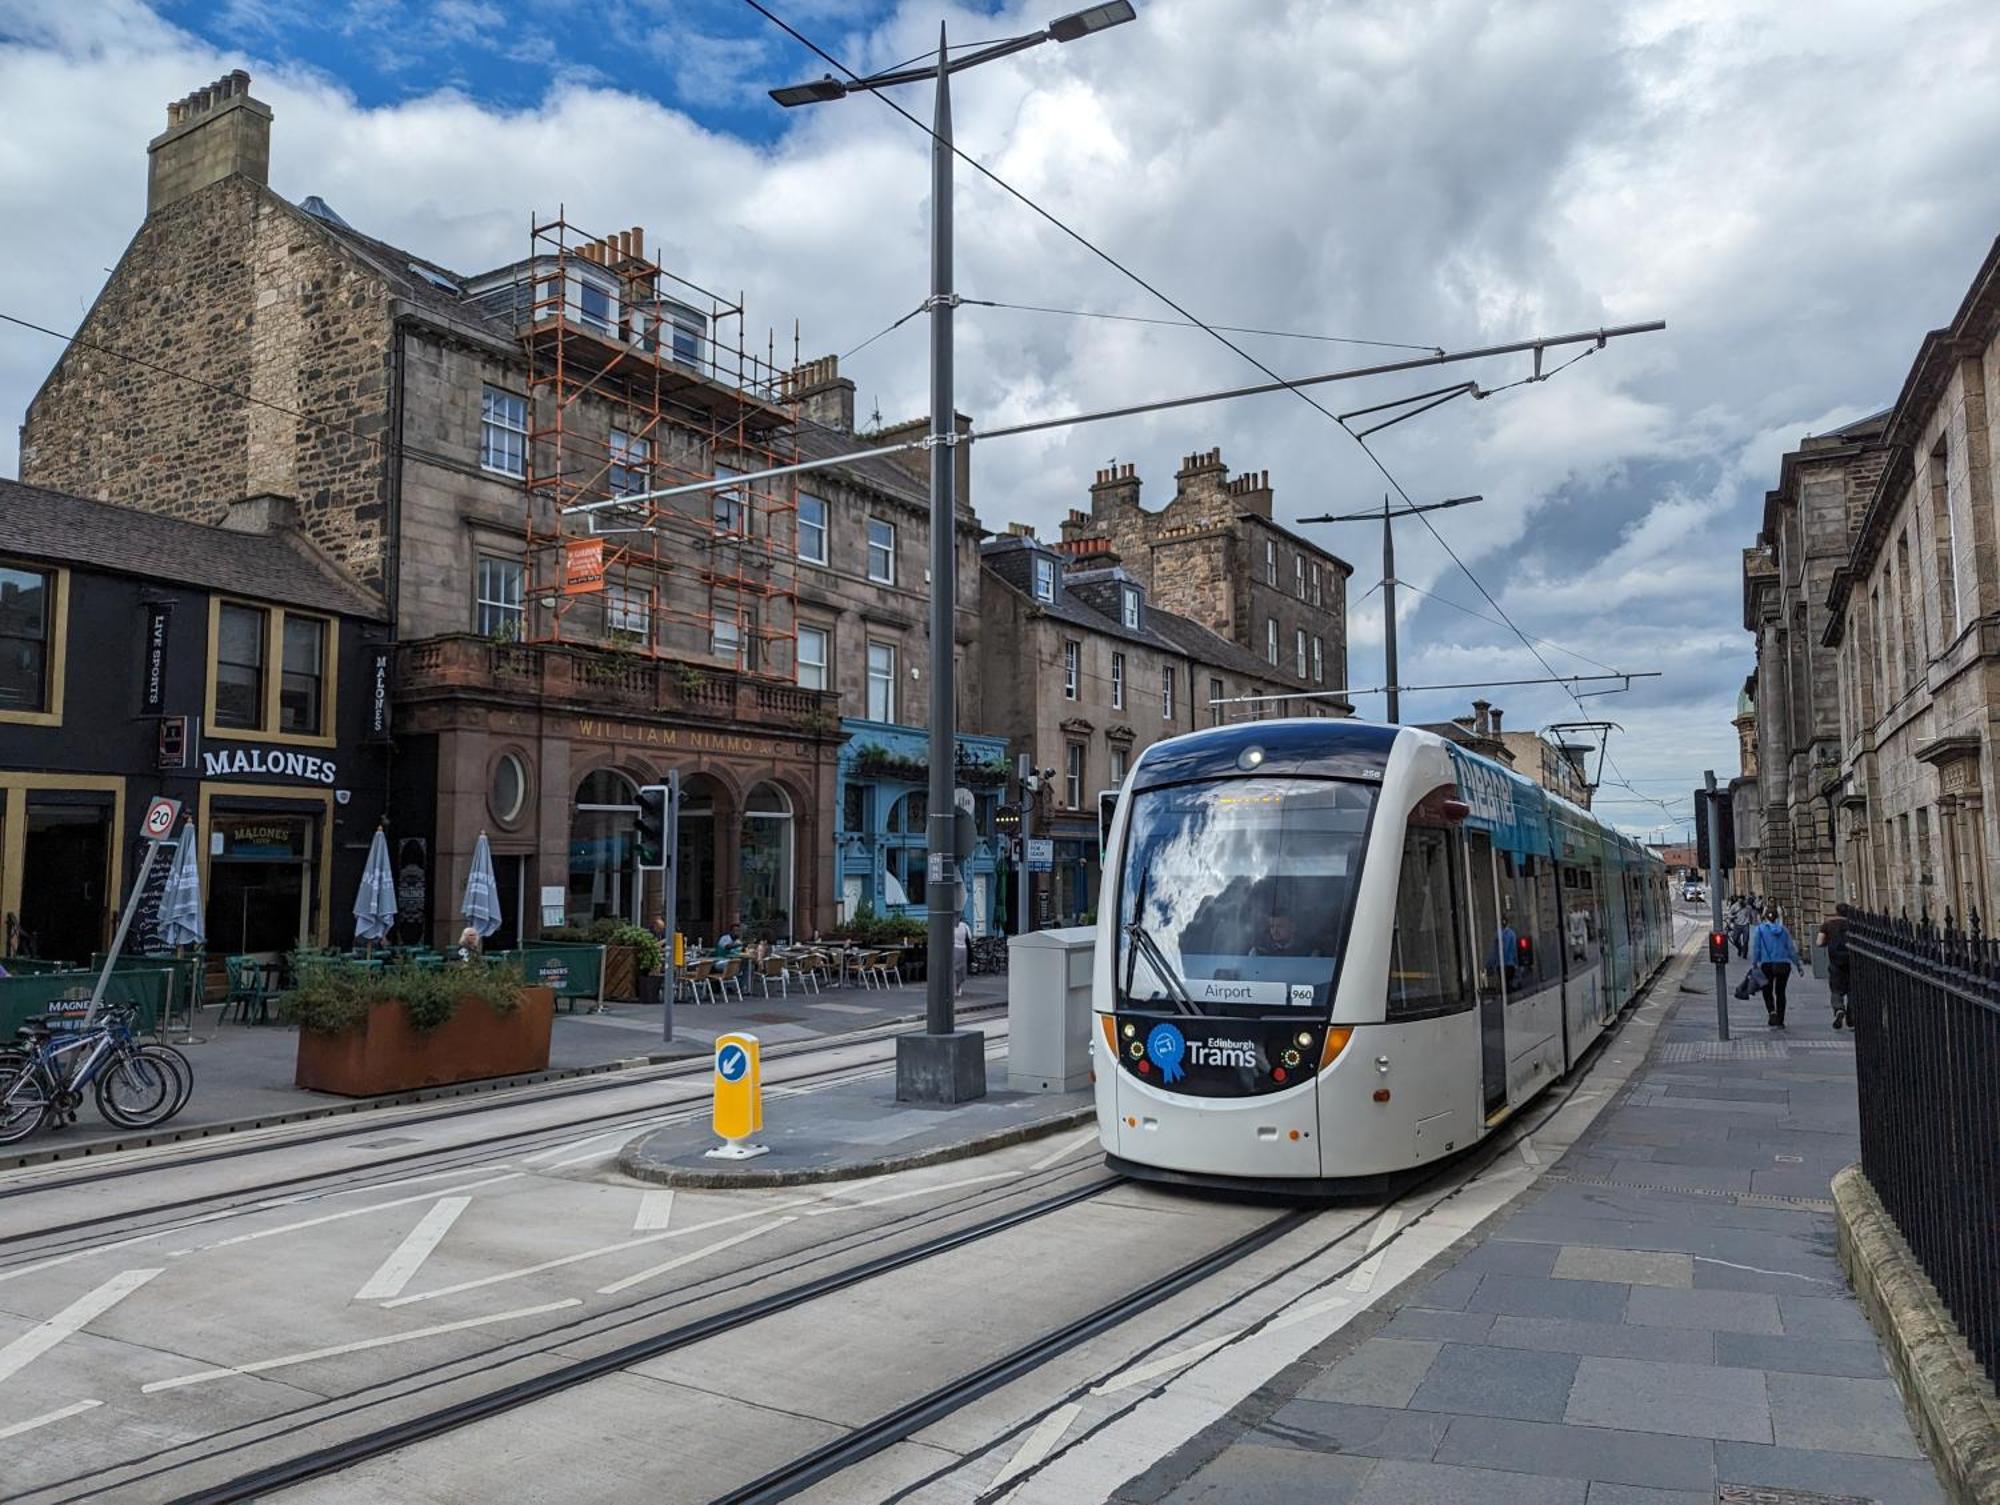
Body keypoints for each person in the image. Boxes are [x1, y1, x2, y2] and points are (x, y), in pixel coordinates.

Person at [1750, 904, 1802, 1027]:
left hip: (1767, 964)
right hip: (1783, 964)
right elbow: (1790, 949)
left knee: (1767, 990)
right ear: (1777, 916)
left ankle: (1772, 1012)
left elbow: (1756, 949)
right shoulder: (1784, 930)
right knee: (1780, 992)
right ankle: (1780, 1019)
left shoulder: (1760, 930)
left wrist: (1754, 963)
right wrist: (1798, 965)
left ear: (1764, 916)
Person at [1816, 911, 1851, 1029]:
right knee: (1852, 989)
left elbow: (1819, 942)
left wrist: (1827, 942)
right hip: (1851, 960)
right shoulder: (1852, 923)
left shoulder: (1827, 924)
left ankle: (1839, 1009)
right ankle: (1851, 1017)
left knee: (1836, 989)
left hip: (1835, 961)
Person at [953, 914, 971, 995]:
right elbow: (969, 937)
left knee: (953, 970)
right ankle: (958, 987)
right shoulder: (965, 926)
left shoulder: (950, 925)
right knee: (961, 970)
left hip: (953, 948)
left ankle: (954, 988)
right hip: (963, 948)